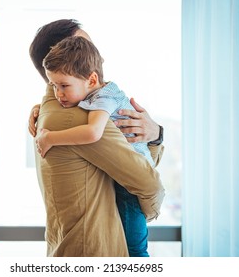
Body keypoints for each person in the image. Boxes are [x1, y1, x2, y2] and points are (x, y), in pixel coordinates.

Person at [29, 19, 165, 257]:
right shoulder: (81, 118)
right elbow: (146, 182)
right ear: (62, 56)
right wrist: (149, 209)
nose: (98, 57)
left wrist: (155, 135)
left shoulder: (52, 112)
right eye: (84, 45)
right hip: (95, 251)